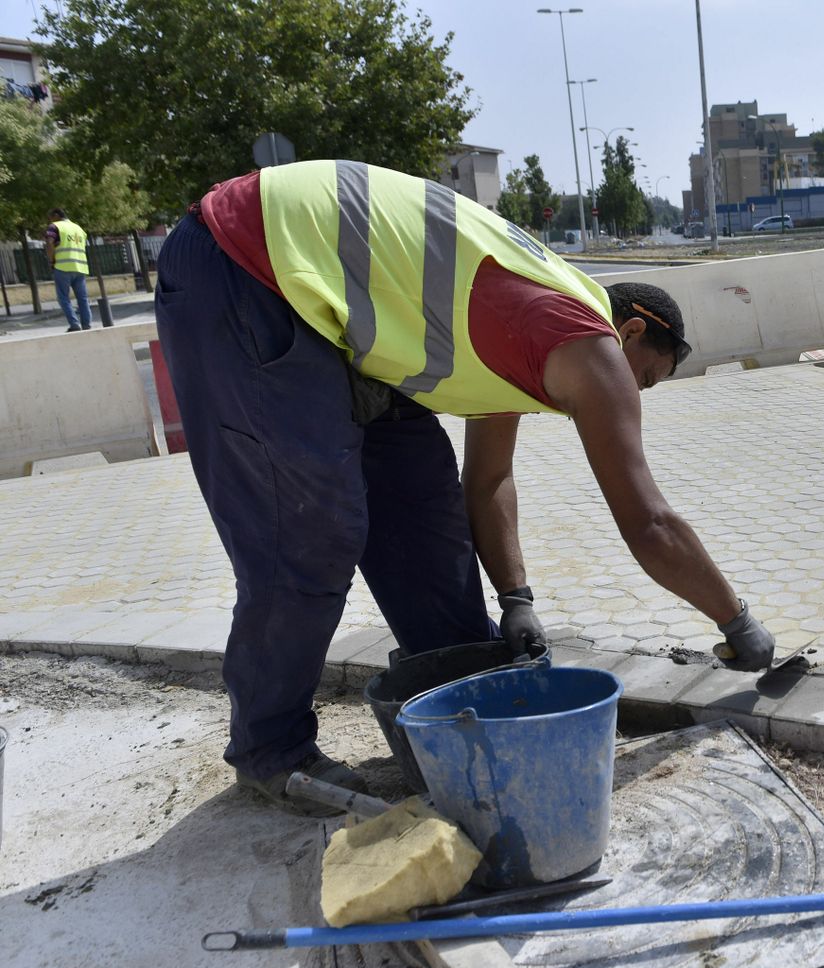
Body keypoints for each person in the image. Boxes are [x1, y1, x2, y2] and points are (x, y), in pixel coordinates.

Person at [154, 159, 776, 815]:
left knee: (421, 507)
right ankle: (270, 748)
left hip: (329, 307)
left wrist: (516, 601)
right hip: (246, 264)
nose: (635, 396)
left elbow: (486, 481)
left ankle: (459, 694)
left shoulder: (531, 330)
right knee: (310, 530)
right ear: (632, 332)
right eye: (645, 379)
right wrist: (736, 619)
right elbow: (648, 524)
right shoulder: (585, 344)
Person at [44, 207, 92, 332]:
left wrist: (51, 260)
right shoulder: (78, 228)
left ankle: (74, 324)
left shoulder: (54, 226)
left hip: (62, 266)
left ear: (56, 215)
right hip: (80, 267)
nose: (50, 220)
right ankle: (87, 324)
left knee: (63, 298)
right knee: (82, 298)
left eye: (51, 217)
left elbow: (49, 243)